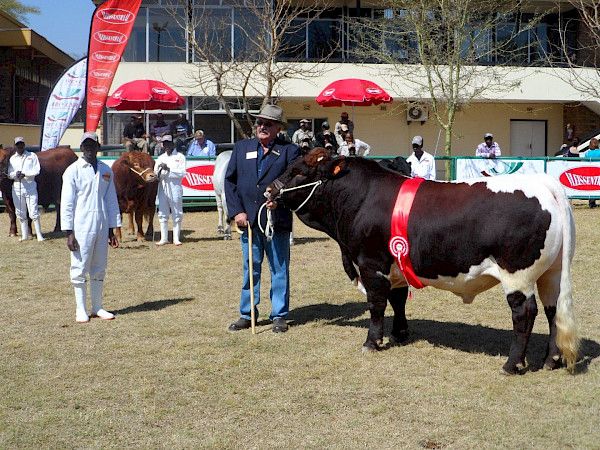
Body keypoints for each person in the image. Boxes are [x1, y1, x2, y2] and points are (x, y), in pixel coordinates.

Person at [225, 104, 300, 333]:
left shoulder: (290, 151)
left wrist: (281, 202)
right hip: (247, 221)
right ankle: (247, 314)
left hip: (276, 220)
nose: (262, 127)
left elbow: (294, 185)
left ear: (278, 128)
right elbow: (230, 182)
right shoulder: (241, 148)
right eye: (260, 122)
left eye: (268, 124)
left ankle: (279, 315)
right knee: (251, 268)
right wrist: (237, 211)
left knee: (279, 268)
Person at [60, 132, 121, 323]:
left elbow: (111, 200)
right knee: (79, 266)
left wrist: (112, 228)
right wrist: (69, 232)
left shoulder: (106, 170)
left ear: (98, 147)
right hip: (81, 225)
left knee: (99, 266)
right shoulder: (73, 170)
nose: (88, 148)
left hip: (102, 225)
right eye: (85, 145)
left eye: (92, 144)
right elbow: (67, 203)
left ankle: (97, 306)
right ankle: (81, 309)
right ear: (81, 147)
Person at [8, 136, 44, 241]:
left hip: (30, 185)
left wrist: (26, 174)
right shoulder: (12, 159)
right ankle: (24, 236)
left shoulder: (32, 156)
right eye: (17, 144)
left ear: (24, 145)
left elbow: (37, 170)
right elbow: (9, 173)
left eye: (21, 144)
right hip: (17, 187)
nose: (20, 146)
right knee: (20, 212)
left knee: (33, 211)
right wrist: (15, 174)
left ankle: (39, 235)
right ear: (15, 146)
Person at [154, 135, 186, 245]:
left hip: (175, 187)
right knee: (163, 212)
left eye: (169, 143)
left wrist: (169, 169)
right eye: (165, 144)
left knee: (177, 212)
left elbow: (182, 173)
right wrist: (158, 172)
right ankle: (164, 238)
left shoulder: (180, 157)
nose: (167, 146)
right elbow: (155, 174)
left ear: (173, 144)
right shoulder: (160, 158)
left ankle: (176, 238)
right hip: (163, 188)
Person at [584, 138, 600, 208]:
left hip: (590, 172)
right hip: (598, 171)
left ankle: (591, 203)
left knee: (592, 187)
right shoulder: (599, 152)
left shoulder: (587, 153)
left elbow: (585, 163)